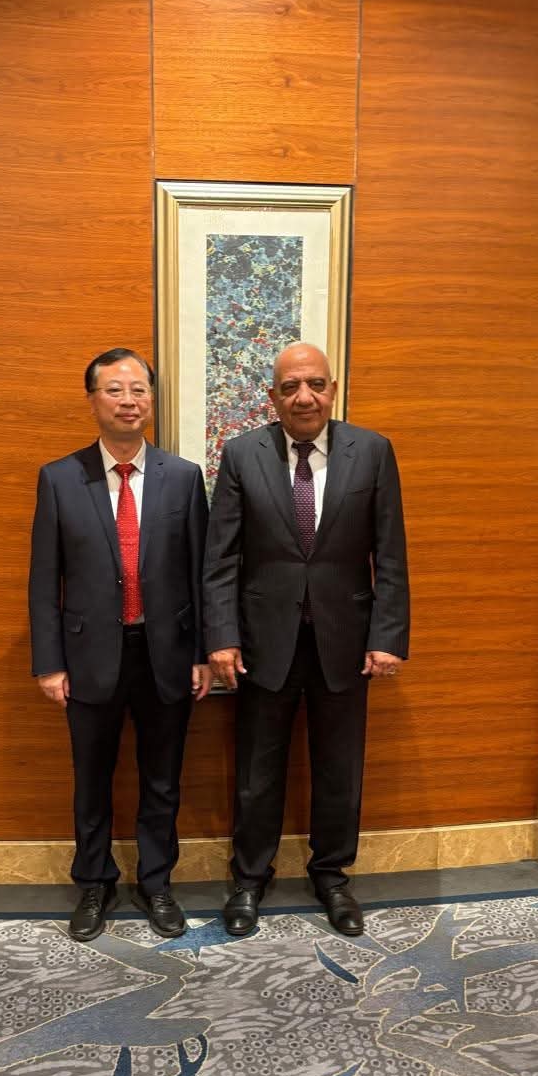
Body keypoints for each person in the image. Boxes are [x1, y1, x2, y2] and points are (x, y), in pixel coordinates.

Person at [203, 342, 409, 938]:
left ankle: (332, 876)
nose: (304, 397)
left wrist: (387, 635)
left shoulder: (372, 452)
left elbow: (390, 553)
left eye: (316, 384)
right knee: (257, 772)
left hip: (345, 642)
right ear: (272, 396)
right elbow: (221, 558)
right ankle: (249, 879)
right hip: (261, 643)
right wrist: (221, 636)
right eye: (291, 387)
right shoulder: (241, 454)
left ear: (333, 390)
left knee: (340, 769)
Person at [29, 348, 210, 942]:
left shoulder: (183, 477)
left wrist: (203, 652)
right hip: (88, 658)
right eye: (114, 390)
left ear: (151, 401)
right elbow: (44, 579)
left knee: (163, 778)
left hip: (167, 654)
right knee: (92, 778)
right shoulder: (60, 478)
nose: (128, 401)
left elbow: (201, 574)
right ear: (93, 401)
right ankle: (94, 883)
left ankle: (156, 883)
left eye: (138, 390)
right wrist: (49, 663)